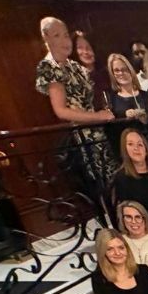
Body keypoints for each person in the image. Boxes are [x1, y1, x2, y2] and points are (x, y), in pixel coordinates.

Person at [34, 18, 115, 196]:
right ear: (46, 38)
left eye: (65, 35)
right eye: (57, 35)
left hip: (99, 131)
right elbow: (60, 111)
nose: (64, 41)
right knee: (103, 186)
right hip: (82, 136)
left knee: (114, 180)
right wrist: (98, 116)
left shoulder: (75, 66)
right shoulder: (49, 67)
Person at [112, 129, 148, 231]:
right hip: (145, 228)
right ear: (125, 150)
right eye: (130, 144)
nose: (136, 148)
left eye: (140, 144)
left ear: (146, 149)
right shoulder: (122, 178)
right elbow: (128, 212)